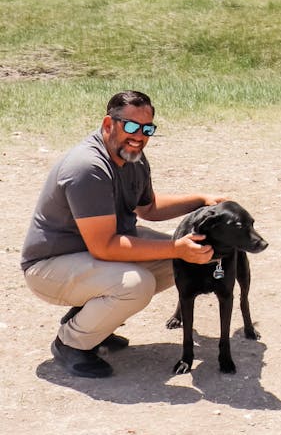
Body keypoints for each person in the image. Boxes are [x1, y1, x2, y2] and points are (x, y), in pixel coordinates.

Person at [21, 90, 224, 378]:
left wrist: (201, 199)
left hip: (89, 257)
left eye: (147, 129)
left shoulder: (134, 158)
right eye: (130, 126)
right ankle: (71, 343)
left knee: (178, 261)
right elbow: (105, 247)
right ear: (108, 124)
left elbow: (149, 208)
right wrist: (176, 248)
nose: (139, 135)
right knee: (136, 284)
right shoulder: (87, 168)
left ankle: (91, 320)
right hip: (50, 267)